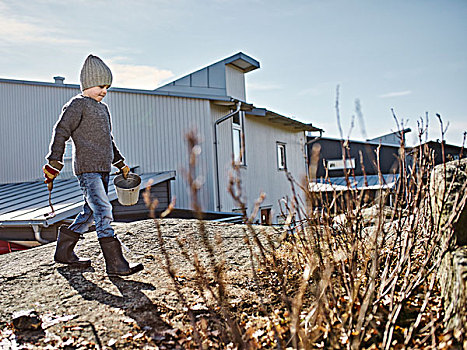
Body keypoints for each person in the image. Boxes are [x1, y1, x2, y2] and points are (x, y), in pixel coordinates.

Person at [43, 54, 143, 276]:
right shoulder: (77, 105)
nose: (104, 91)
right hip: (87, 169)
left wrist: (121, 163)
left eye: (107, 86)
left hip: (103, 168)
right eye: (100, 85)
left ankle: (64, 252)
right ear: (87, 84)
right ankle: (116, 264)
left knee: (90, 212)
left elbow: (109, 139)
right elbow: (61, 131)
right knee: (103, 209)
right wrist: (54, 161)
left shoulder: (103, 109)